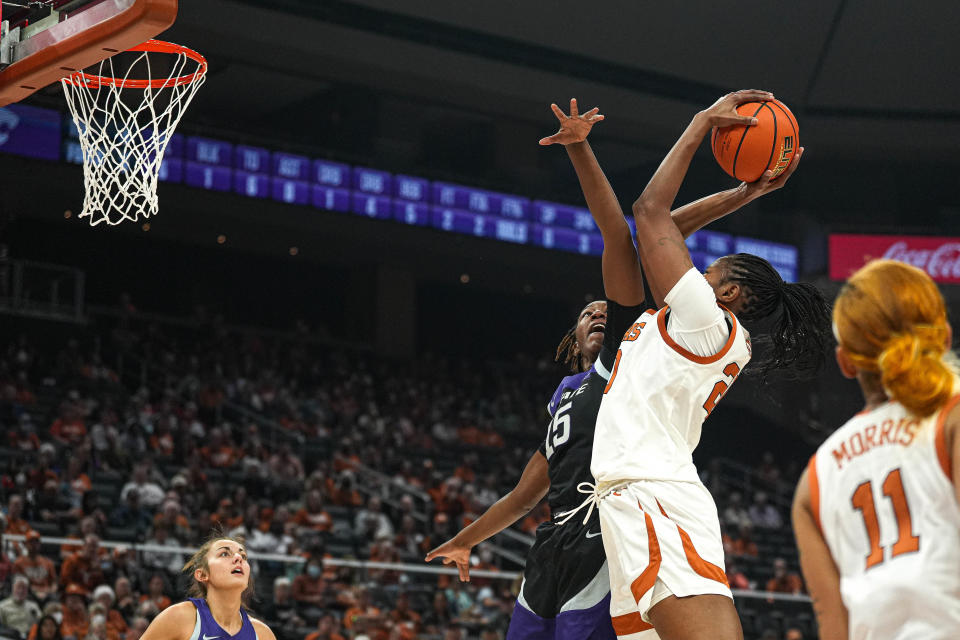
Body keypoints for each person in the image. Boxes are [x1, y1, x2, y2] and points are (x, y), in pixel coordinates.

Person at [427, 96, 804, 640]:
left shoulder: (644, 332)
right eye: (588, 312)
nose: (601, 311)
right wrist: (467, 537)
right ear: (571, 333)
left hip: (621, 517)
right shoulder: (579, 385)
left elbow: (636, 226)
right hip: (577, 529)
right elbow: (524, 494)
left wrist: (585, 150)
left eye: (605, 308)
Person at [577, 90, 830, 640]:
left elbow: (651, 215)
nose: (696, 266)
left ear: (731, 291)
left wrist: (699, 125)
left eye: (709, 269)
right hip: (630, 495)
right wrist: (744, 192)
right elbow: (659, 236)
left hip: (655, 493)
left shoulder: (703, 320)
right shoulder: (697, 320)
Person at [792, 259, 960, 639]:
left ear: (846, 362)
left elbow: (834, 630)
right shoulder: (952, 418)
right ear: (945, 336)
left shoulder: (813, 480)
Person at [136, 534, 277, 640]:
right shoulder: (180, 617)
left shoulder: (263, 634)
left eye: (243, 556)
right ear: (202, 574)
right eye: (224, 553)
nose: (238, 558)